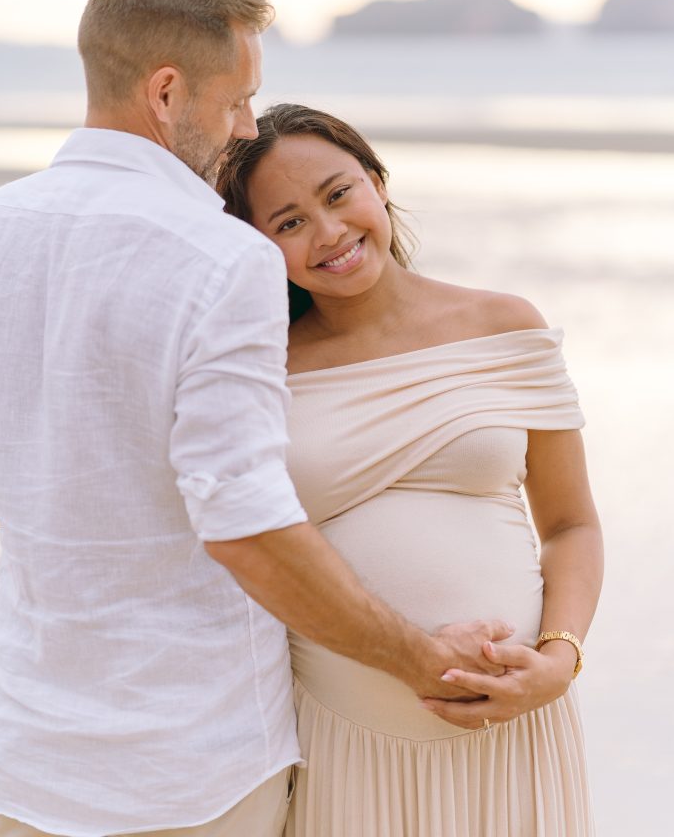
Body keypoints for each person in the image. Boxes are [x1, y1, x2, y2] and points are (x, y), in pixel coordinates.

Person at [0, 0, 513, 837]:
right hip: (188, 772)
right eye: (236, 100)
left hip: (23, 757)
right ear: (165, 94)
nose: (243, 128)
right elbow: (246, 527)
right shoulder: (219, 257)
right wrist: (417, 657)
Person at [218, 102, 605, 837]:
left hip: (519, 735)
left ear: (377, 182)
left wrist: (559, 660)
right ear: (257, 247)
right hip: (343, 743)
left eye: (338, 195)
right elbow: (252, 555)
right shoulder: (260, 369)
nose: (330, 233)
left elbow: (569, 523)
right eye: (288, 222)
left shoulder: (503, 327)